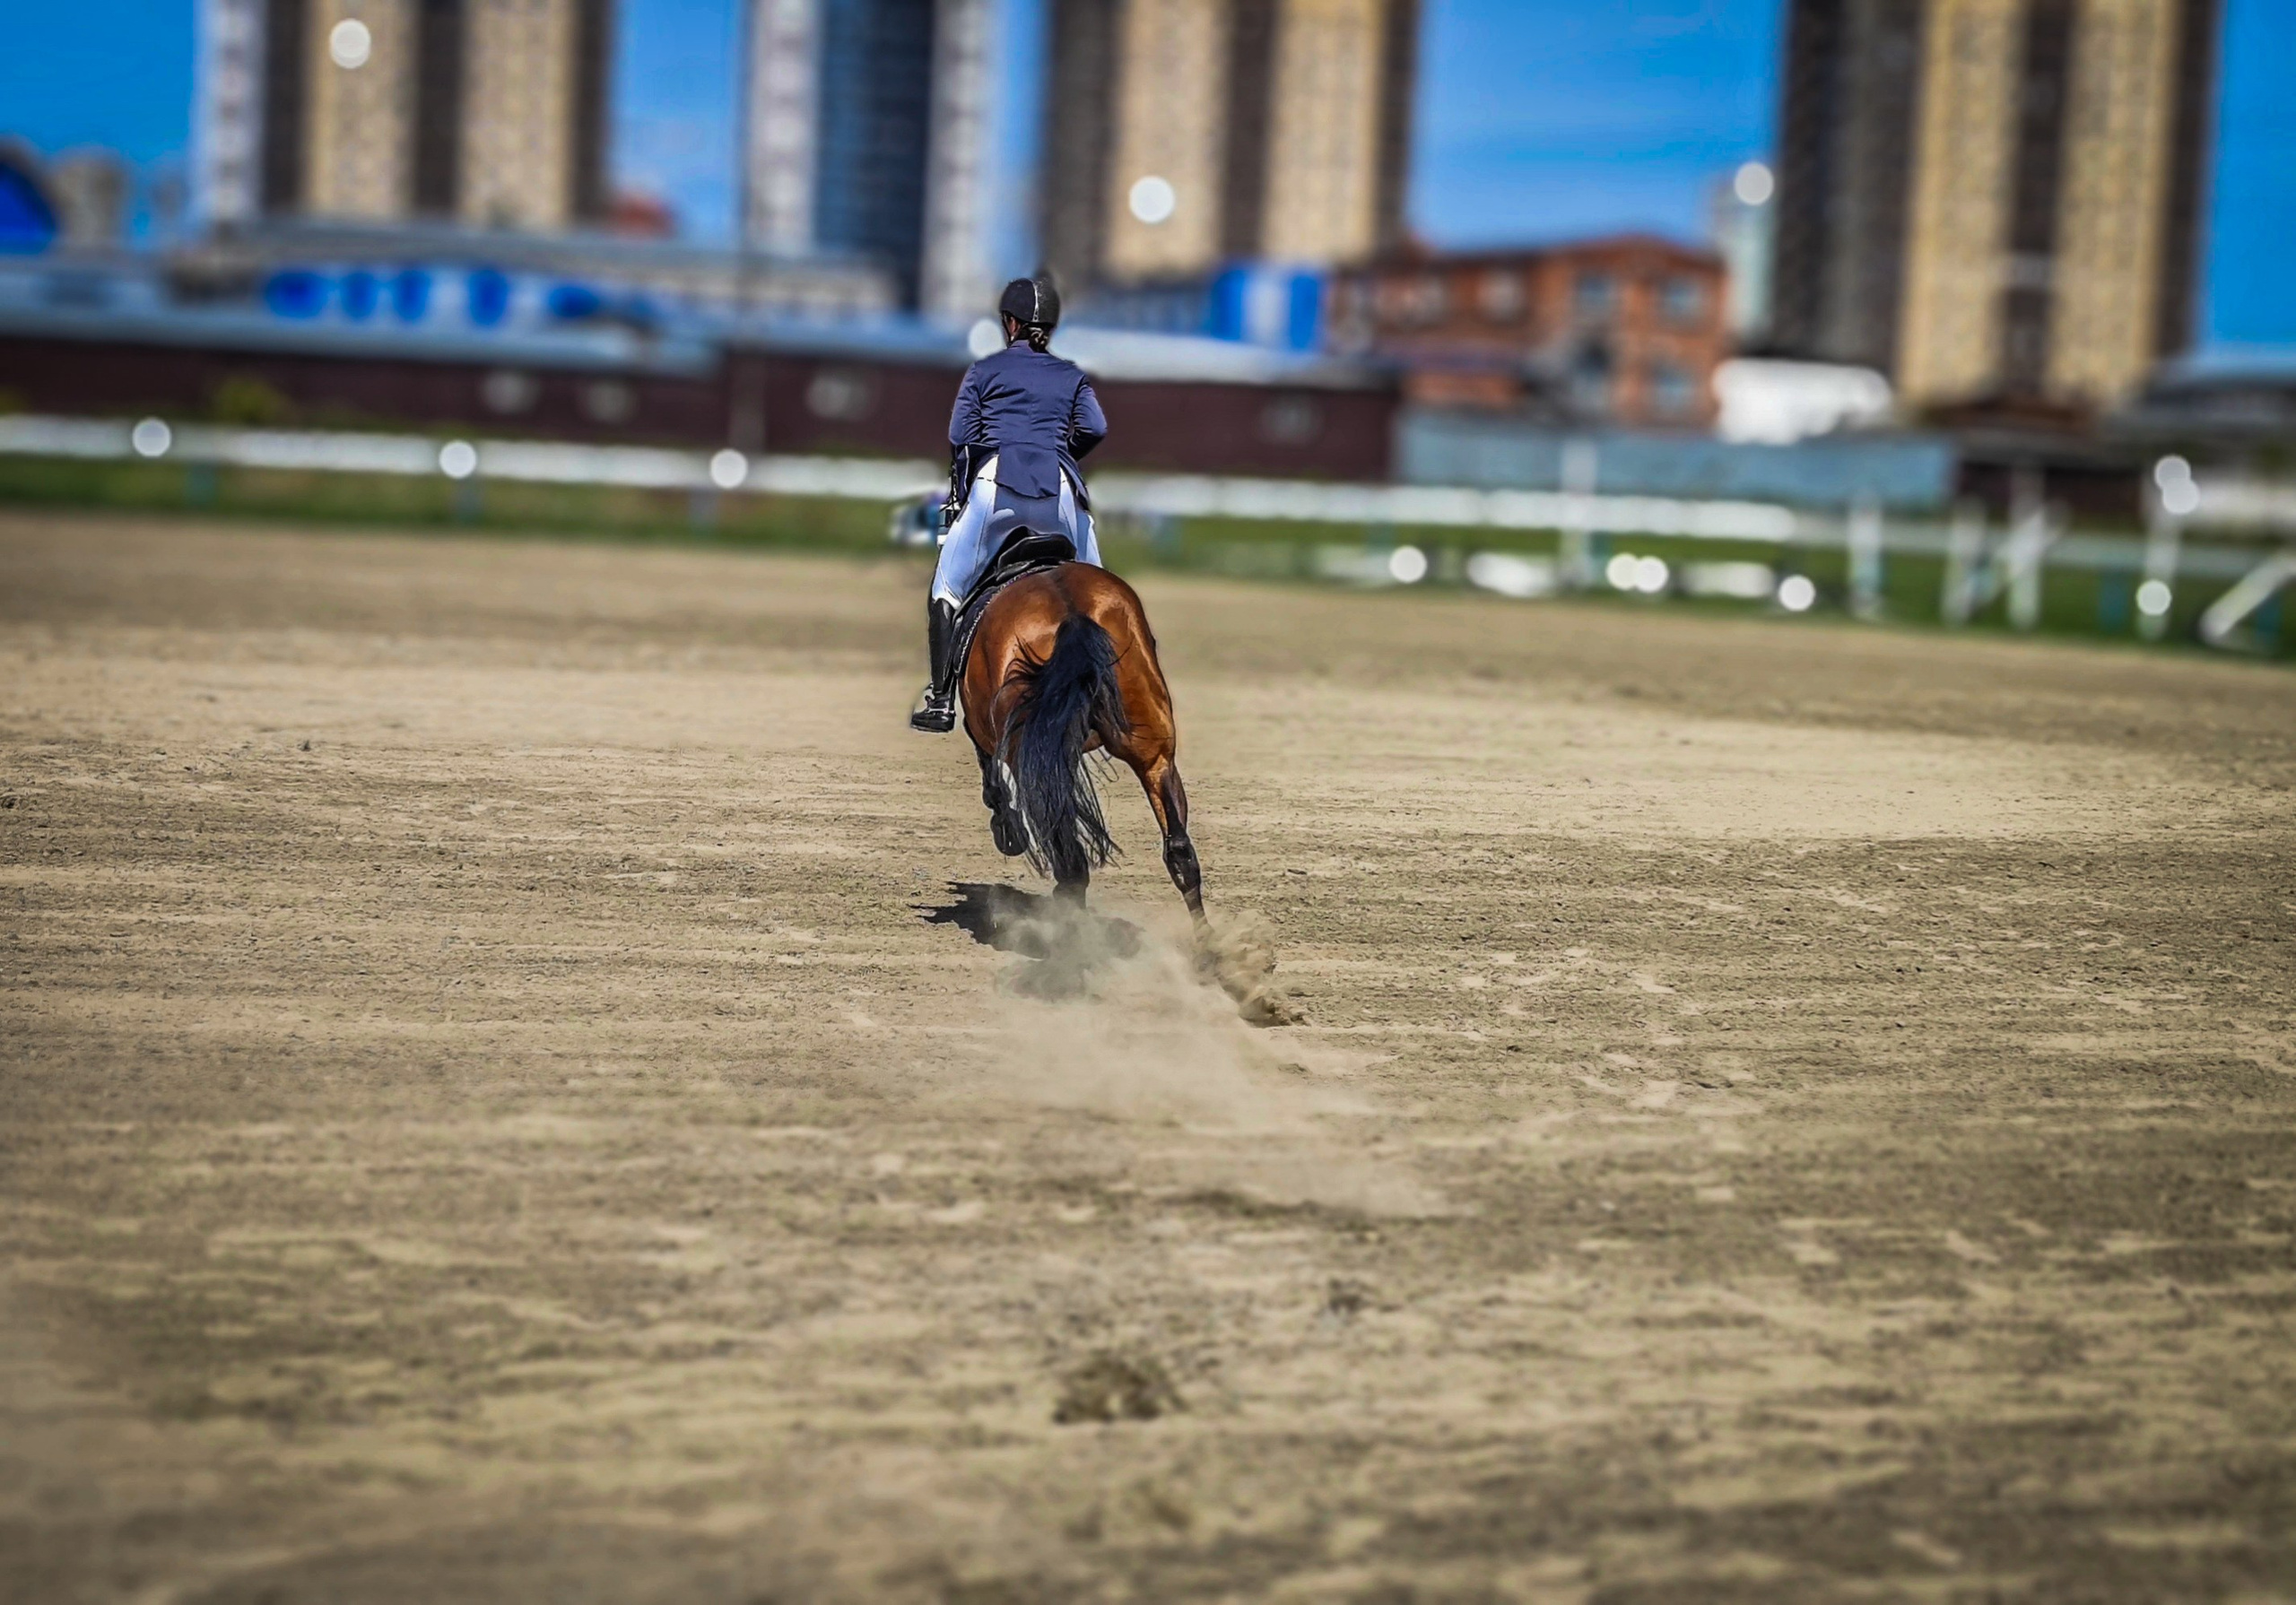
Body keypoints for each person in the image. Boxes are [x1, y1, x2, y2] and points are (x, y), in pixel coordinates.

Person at [910, 275, 1108, 733]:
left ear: (1008, 323)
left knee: (947, 591)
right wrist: (1059, 454)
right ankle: (1106, 695)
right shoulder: (1072, 376)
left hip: (996, 484)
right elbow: (1095, 428)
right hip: (1058, 489)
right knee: (1099, 595)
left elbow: (960, 436)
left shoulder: (984, 371)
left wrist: (961, 490)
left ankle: (940, 700)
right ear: (1051, 328)